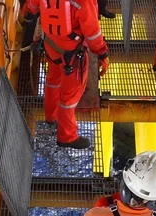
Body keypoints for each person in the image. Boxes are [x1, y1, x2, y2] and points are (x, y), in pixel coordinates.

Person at [22, 0, 110, 149]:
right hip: (72, 56)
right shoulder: (84, 2)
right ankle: (67, 136)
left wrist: (28, 15)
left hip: (51, 46)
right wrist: (103, 54)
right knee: (69, 97)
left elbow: (29, 8)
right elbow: (93, 33)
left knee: (53, 80)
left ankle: (51, 117)